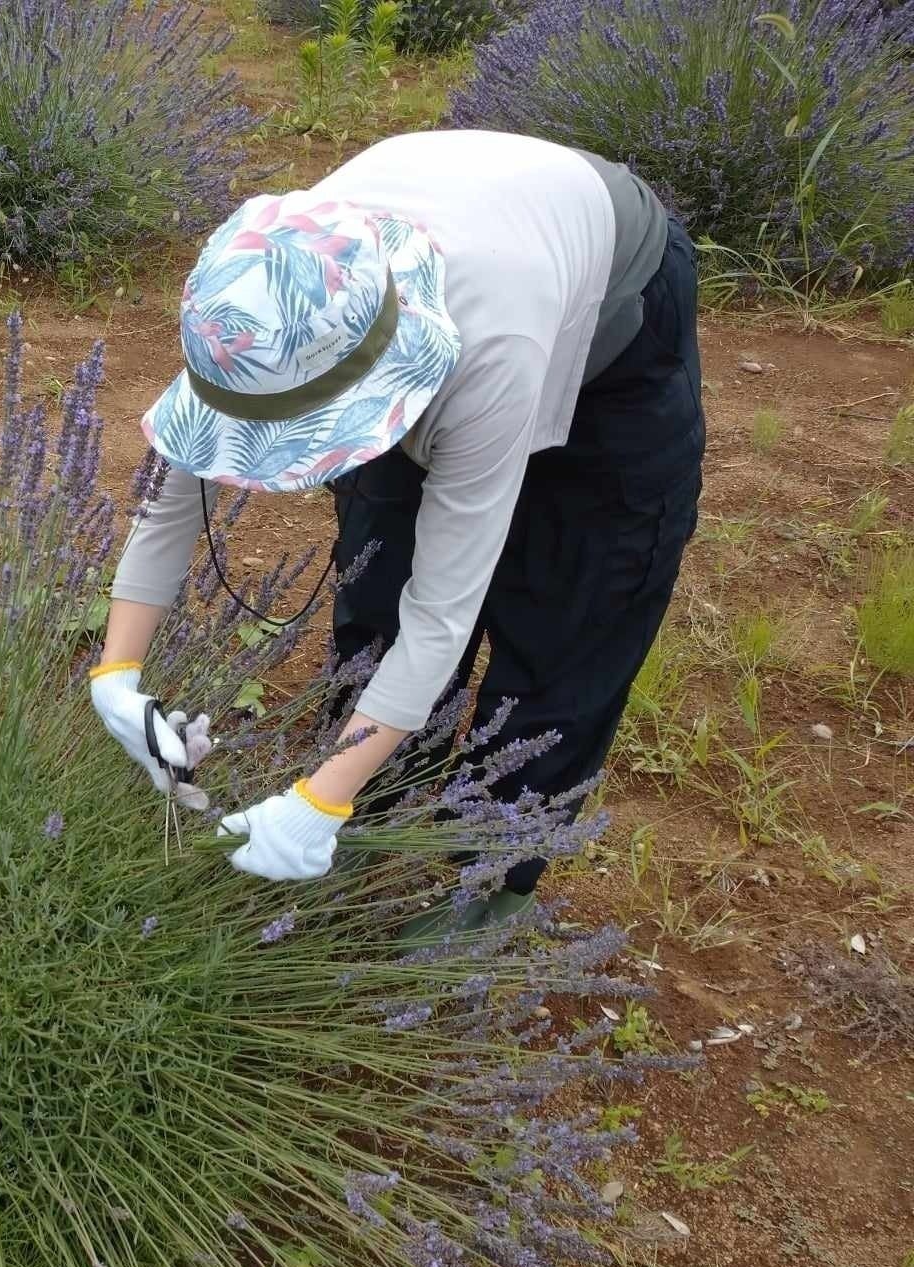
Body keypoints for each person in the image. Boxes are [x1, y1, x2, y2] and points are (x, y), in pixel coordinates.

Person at [90, 129, 702, 927]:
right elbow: (174, 496)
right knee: (380, 573)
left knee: (573, 605)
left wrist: (317, 802)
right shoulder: (254, 302)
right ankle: (364, 813)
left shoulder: (490, 349)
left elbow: (444, 610)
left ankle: (490, 882)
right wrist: (116, 674)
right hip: (461, 248)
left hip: (611, 294)